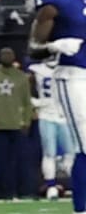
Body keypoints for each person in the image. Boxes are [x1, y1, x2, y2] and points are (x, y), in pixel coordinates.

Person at [30, 0, 86, 214]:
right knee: (85, 146)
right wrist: (54, 45)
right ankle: (81, 213)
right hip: (73, 74)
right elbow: (33, 48)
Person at [0, 47, 33, 200]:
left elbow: (27, 102)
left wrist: (26, 120)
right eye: (4, 54)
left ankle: (17, 191)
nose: (7, 56)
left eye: (9, 54)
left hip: (17, 124)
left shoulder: (22, 77)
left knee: (17, 161)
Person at [32, 56, 74, 200]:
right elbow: (27, 93)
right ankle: (51, 186)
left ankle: (71, 184)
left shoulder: (37, 69)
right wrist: (35, 103)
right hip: (49, 116)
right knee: (50, 154)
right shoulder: (36, 70)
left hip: (62, 116)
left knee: (70, 154)